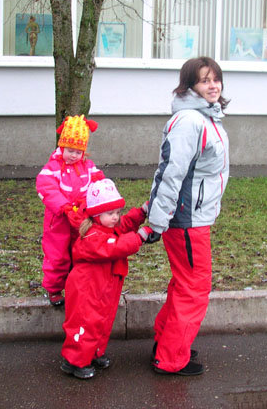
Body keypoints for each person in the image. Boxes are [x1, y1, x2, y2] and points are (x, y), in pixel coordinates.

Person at [147, 56, 230, 376]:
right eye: (204, 80)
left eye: (216, 79)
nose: (213, 85)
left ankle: (166, 342)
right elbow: (170, 173)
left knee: (185, 284)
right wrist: (158, 220)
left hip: (193, 217)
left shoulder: (207, 118)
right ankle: (170, 358)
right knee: (194, 288)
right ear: (190, 86)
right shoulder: (190, 121)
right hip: (186, 220)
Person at [60, 178, 156, 379]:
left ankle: (94, 353)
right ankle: (75, 361)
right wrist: (139, 237)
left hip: (104, 287)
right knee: (85, 322)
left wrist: (142, 212)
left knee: (102, 321)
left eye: (117, 212)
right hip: (87, 288)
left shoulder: (107, 226)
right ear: (97, 214)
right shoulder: (91, 236)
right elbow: (114, 247)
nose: (115, 217)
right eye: (110, 213)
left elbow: (125, 224)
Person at [36, 114, 104, 306]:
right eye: (70, 150)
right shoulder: (53, 168)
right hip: (58, 221)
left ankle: (79, 286)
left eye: (78, 151)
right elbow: (46, 188)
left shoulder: (88, 167)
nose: (74, 155)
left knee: (80, 252)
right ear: (61, 147)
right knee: (57, 254)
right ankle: (54, 288)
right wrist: (64, 206)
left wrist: (92, 202)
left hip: (81, 219)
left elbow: (99, 183)